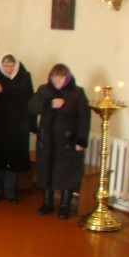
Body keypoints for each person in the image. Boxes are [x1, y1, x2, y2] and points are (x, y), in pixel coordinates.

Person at [28, 63, 91, 219]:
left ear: (67, 78)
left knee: (67, 174)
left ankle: (64, 206)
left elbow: (84, 118)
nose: (56, 81)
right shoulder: (44, 90)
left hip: (68, 143)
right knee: (45, 172)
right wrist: (50, 104)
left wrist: (81, 140)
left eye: (60, 78)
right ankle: (47, 203)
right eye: (54, 78)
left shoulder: (77, 93)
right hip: (46, 142)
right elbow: (31, 107)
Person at [0, 54, 35, 204]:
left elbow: (30, 102)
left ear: (16, 65)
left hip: (18, 126)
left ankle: (10, 192)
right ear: (1, 65)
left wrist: (31, 126)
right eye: (6, 66)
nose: (9, 69)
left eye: (11, 66)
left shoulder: (25, 78)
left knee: (13, 160)